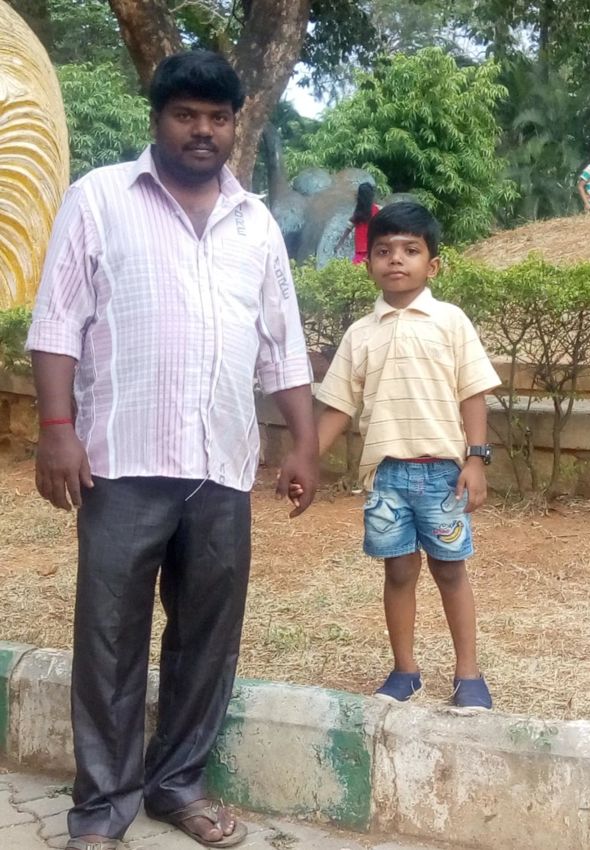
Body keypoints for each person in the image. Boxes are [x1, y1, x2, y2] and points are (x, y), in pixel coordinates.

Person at [27, 50, 318, 850]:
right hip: (121, 463)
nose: (202, 131)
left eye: (217, 118)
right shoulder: (99, 200)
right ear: (157, 118)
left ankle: (177, 784)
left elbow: (282, 345)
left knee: (206, 638)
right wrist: (57, 429)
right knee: (109, 643)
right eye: (186, 115)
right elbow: (57, 322)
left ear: (235, 125)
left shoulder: (256, 224)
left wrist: (304, 442)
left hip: (221, 468)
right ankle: (101, 810)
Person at [292, 202, 500, 709]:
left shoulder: (450, 322)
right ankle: (405, 671)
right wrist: (306, 459)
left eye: (411, 250)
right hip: (387, 480)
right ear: (369, 265)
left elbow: (473, 392)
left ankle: (468, 674)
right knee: (399, 572)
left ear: (433, 265)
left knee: (450, 571)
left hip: (443, 476)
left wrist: (476, 459)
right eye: (383, 251)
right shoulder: (361, 334)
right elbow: (339, 406)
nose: (396, 260)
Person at [335, 182, 381, 263]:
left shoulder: (358, 212)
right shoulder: (378, 210)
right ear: (371, 195)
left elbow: (349, 227)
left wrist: (339, 243)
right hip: (373, 248)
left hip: (360, 250)